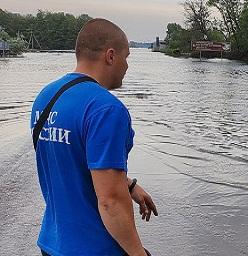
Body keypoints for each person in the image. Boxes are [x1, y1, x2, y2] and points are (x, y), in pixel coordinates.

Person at [30, 18, 157, 256]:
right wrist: (137, 253)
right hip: (95, 247)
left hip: (52, 242)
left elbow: (74, 160)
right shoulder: (106, 109)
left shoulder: (45, 97)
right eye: (126, 57)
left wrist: (129, 185)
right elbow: (110, 202)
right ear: (110, 56)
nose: (127, 66)